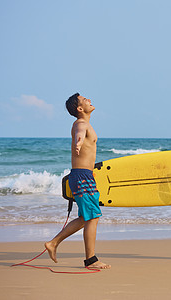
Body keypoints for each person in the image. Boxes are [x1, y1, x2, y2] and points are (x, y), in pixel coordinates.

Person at [44, 93, 110, 269]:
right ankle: (91, 260)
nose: (89, 99)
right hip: (81, 177)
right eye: (84, 99)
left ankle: (53, 243)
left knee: (86, 217)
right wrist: (78, 142)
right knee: (92, 217)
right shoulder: (80, 124)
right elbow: (79, 135)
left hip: (85, 176)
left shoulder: (85, 124)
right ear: (80, 108)